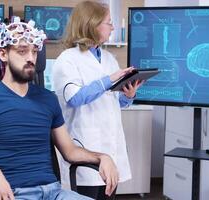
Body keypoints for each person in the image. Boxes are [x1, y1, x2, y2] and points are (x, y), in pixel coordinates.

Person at [0, 16, 119, 200]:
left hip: (55, 193)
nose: (31, 58)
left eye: (34, 51)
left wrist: (103, 157)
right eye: (22, 51)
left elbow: (70, 151)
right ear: (3, 54)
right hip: (12, 194)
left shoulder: (48, 99)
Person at [52, 1, 143, 199]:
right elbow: (75, 98)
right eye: (108, 22)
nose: (113, 26)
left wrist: (128, 96)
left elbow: (111, 102)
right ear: (92, 25)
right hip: (85, 149)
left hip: (111, 149)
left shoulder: (109, 58)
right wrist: (109, 80)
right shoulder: (67, 59)